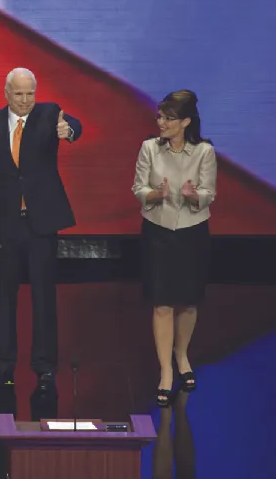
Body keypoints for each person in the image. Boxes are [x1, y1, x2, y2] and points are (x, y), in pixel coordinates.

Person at [0, 67, 82, 392]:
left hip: (41, 222)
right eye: (19, 94)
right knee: (4, 298)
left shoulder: (49, 114)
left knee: (44, 296)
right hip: (4, 225)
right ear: (6, 93)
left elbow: (73, 126)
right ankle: (3, 366)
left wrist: (67, 130)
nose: (26, 100)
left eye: (30, 93)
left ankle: (44, 367)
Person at [131, 90, 215, 407]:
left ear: (185, 121)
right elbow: (138, 188)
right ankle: (166, 370)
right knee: (162, 303)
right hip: (158, 231)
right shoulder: (149, 149)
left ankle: (182, 356)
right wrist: (156, 194)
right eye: (160, 116)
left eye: (168, 118)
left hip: (193, 232)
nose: (161, 122)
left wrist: (194, 196)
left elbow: (209, 193)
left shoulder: (204, 151)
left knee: (188, 302)